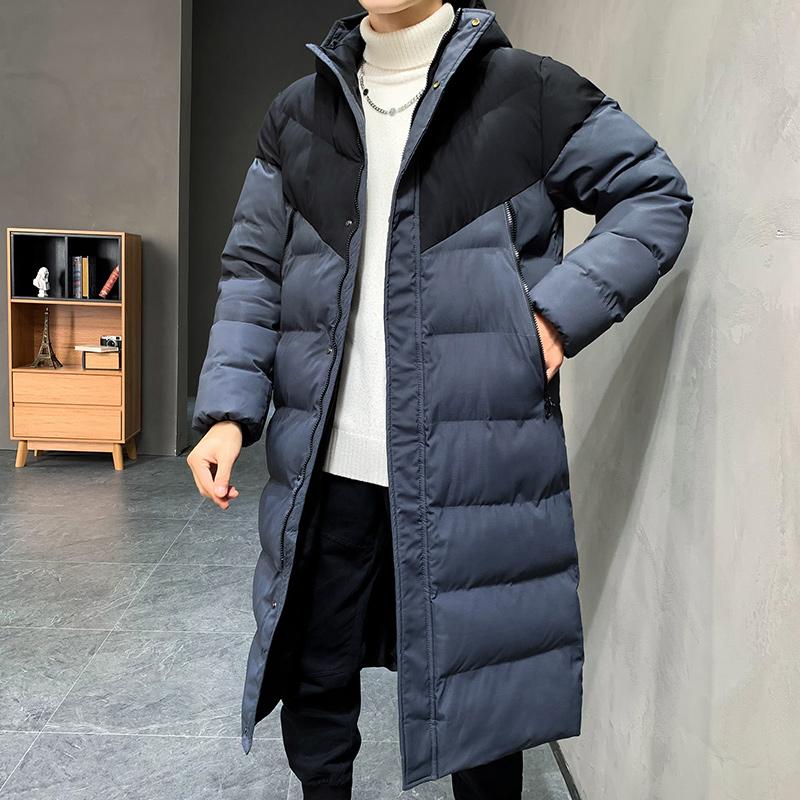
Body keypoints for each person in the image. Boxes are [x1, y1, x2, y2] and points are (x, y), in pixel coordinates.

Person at [187, 1, 694, 798]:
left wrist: (554, 316)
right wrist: (227, 409)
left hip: (473, 469)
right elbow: (254, 269)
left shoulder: (526, 92)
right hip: (329, 470)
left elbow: (655, 194)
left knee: (484, 695)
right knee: (315, 678)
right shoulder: (299, 114)